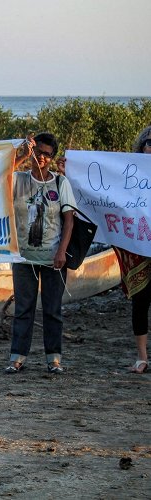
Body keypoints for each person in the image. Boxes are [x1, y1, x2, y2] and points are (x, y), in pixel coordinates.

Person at [5, 132, 76, 374]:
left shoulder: (60, 183)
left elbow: (69, 221)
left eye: (47, 154)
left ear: (53, 158)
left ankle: (53, 359)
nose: (42, 158)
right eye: (39, 153)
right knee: (23, 309)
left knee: (52, 310)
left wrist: (62, 252)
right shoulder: (18, 180)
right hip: (23, 257)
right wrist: (22, 155)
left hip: (53, 259)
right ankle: (17, 357)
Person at [112, 126, 151, 373]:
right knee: (141, 302)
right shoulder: (129, 174)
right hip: (138, 248)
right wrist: (71, 170)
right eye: (149, 142)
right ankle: (142, 357)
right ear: (141, 146)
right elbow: (104, 194)